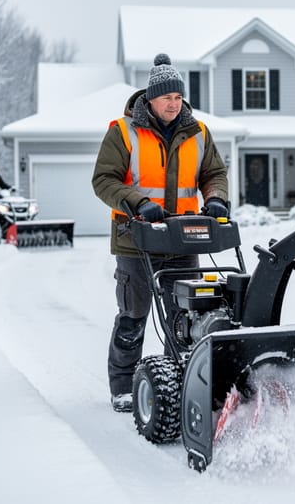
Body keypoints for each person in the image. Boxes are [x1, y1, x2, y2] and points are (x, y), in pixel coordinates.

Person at [92, 53, 229, 412]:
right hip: (136, 239)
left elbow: (214, 174)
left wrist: (215, 199)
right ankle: (123, 386)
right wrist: (136, 202)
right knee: (133, 315)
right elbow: (103, 181)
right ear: (150, 98)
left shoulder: (198, 133)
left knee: (184, 315)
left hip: (184, 237)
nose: (174, 102)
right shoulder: (123, 132)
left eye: (178, 96)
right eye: (167, 97)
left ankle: (182, 381)